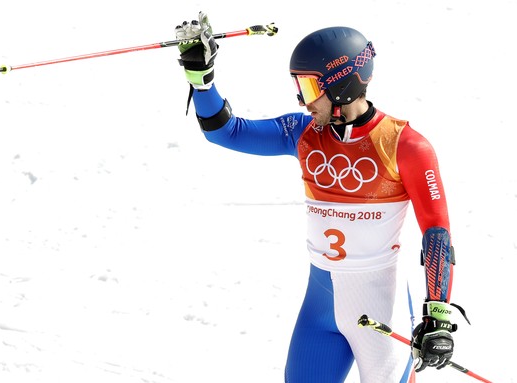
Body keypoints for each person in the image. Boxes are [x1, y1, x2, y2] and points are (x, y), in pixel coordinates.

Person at [175, 12, 463, 383]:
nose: (302, 101)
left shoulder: (406, 146)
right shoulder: (303, 132)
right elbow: (226, 132)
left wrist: (437, 316)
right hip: (319, 307)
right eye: (299, 88)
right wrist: (202, 82)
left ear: (342, 85)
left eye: (310, 89)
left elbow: (437, 231)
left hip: (381, 312)